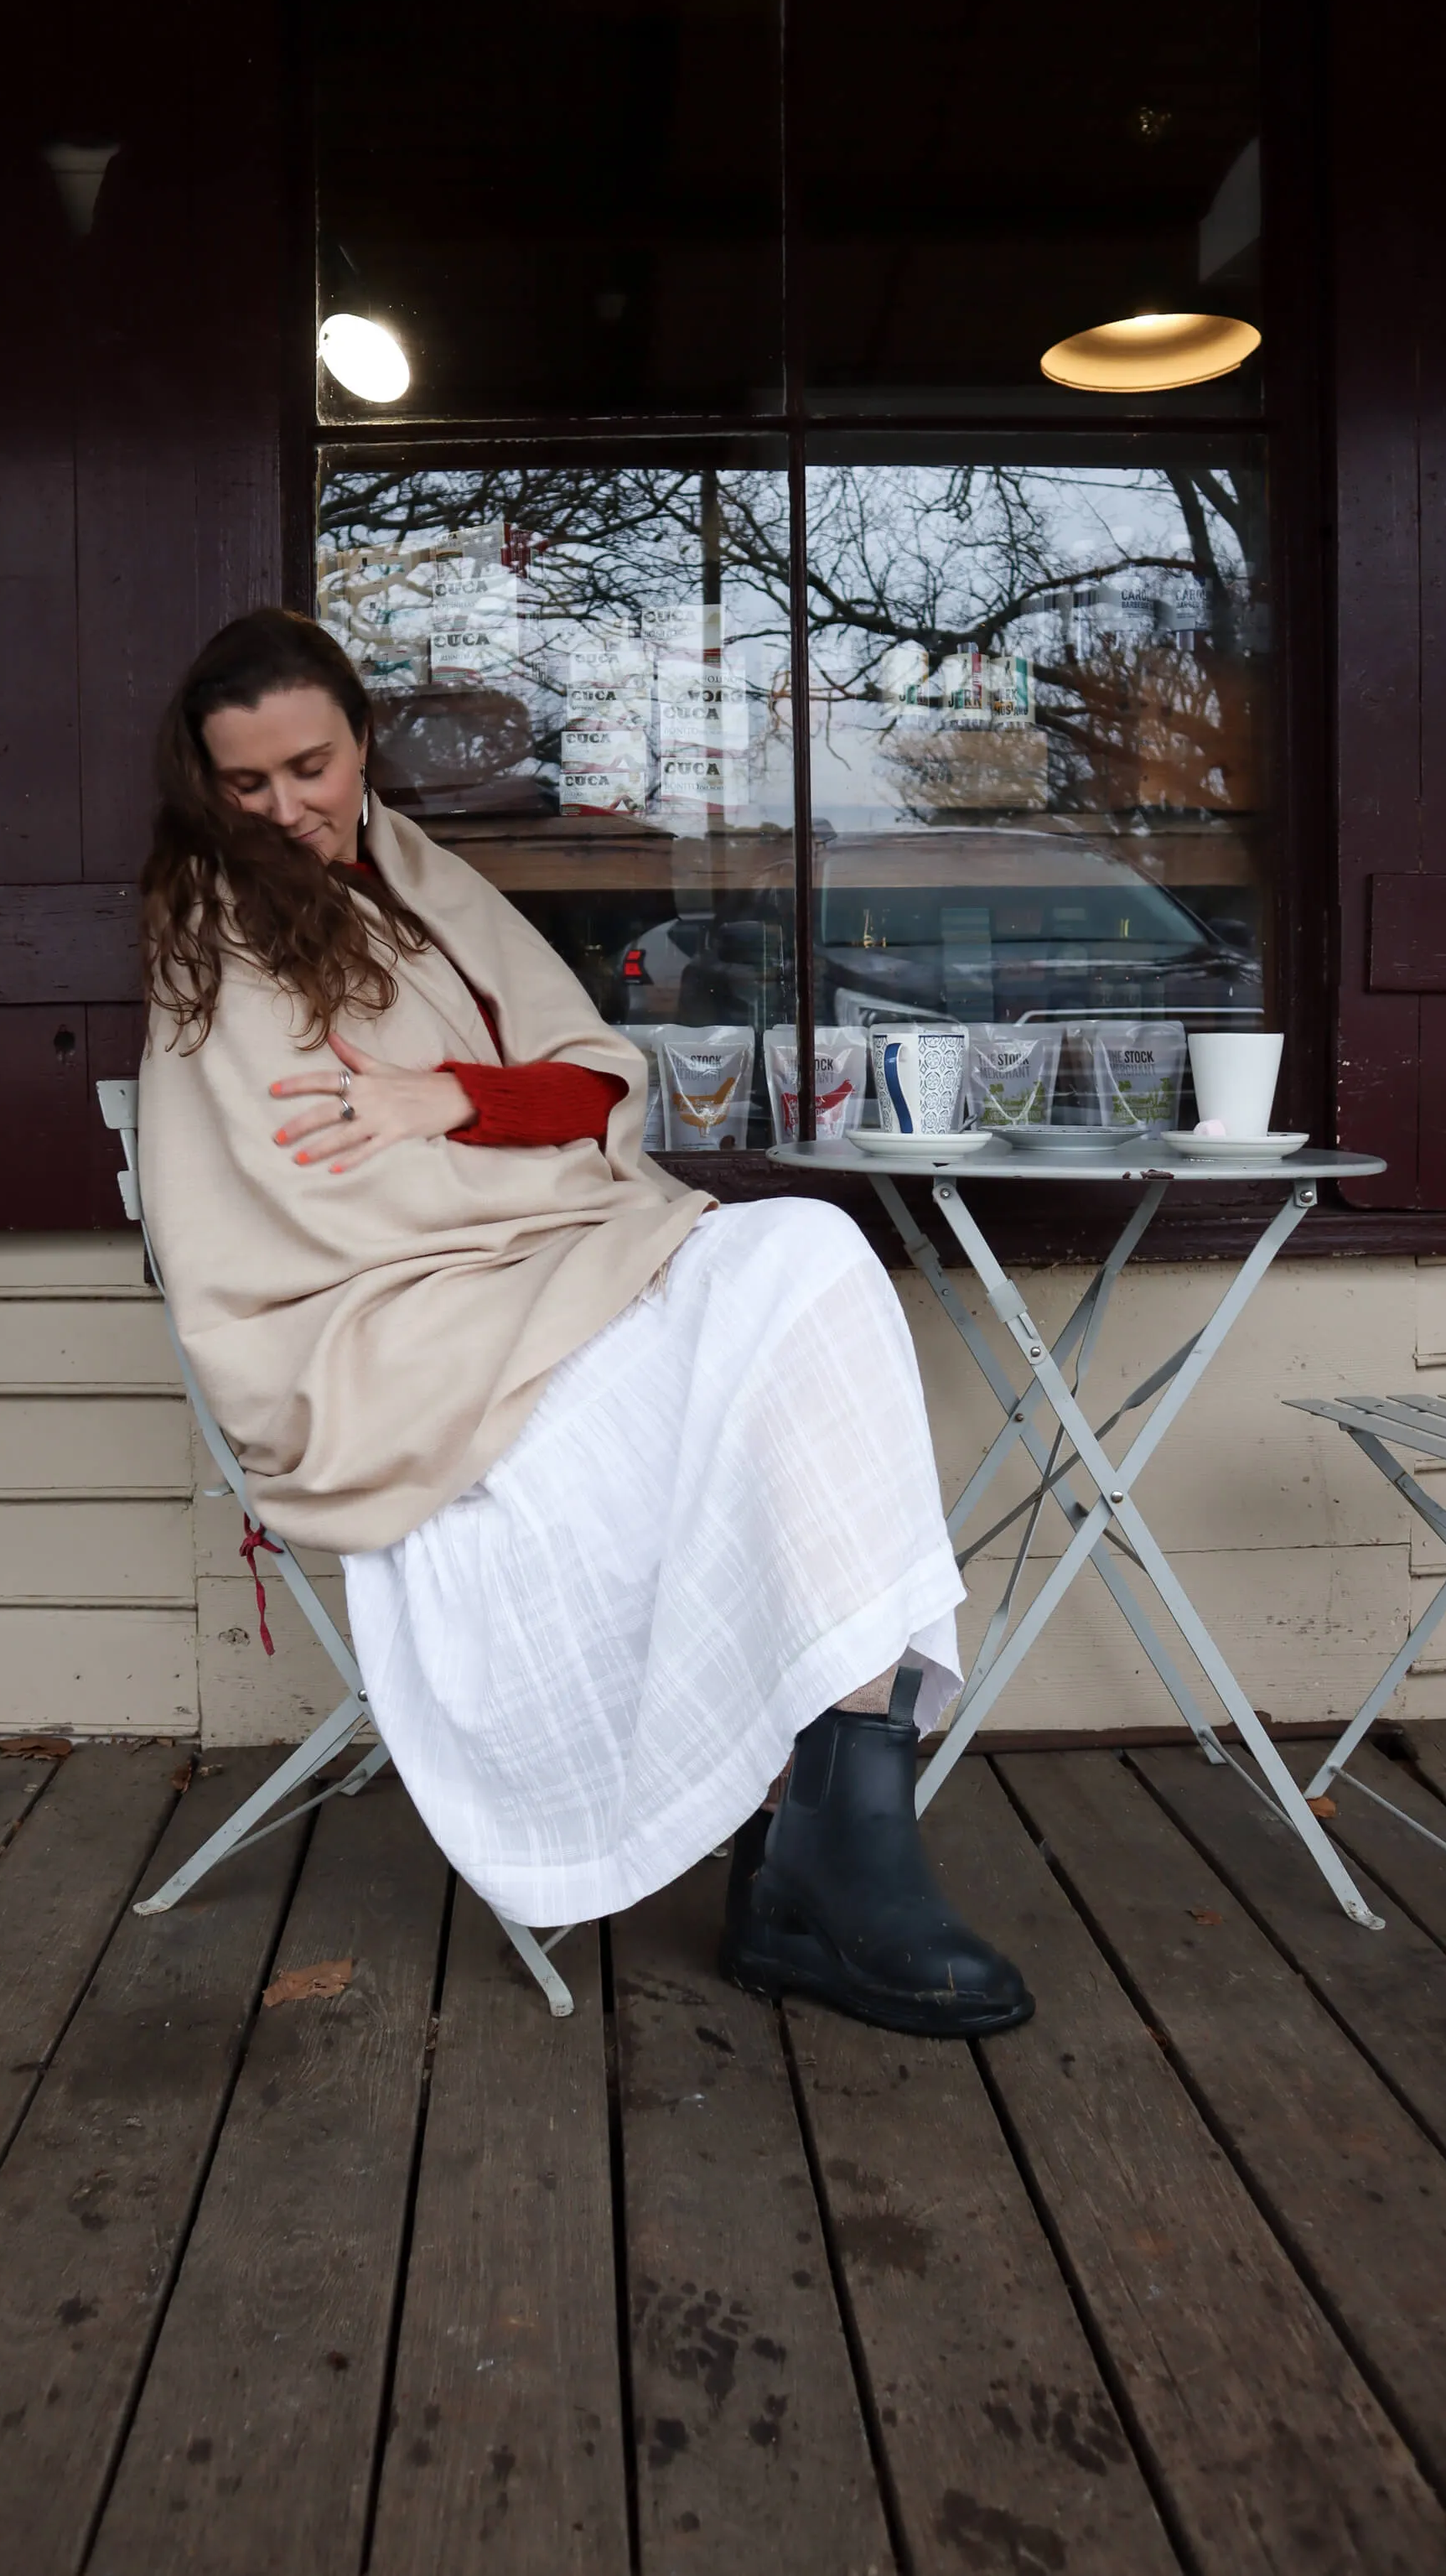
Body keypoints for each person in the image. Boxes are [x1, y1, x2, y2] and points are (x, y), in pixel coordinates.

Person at [137, 607, 1030, 2038]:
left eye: (309, 766)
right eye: (246, 784)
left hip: (564, 1259)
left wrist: (457, 1099)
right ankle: (827, 1857)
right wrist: (489, 1133)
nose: (284, 809)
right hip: (393, 1328)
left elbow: (592, 1078)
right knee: (728, 1389)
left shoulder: (420, 875)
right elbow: (318, 1195)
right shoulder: (217, 927)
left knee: (808, 1252)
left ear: (362, 744)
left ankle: (839, 1807)